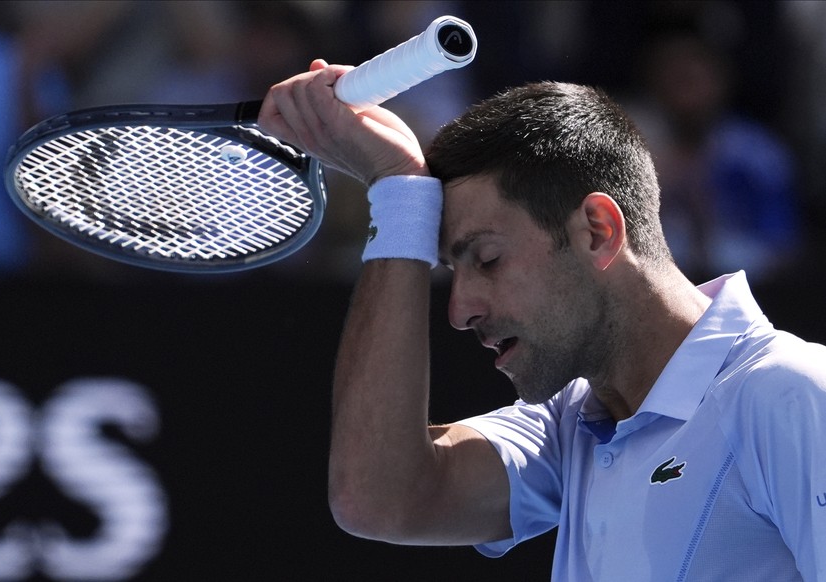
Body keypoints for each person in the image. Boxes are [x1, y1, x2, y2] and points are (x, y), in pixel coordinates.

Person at [259, 60, 826, 580]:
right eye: (452, 270)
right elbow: (376, 497)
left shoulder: (789, 392)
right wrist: (399, 195)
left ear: (598, 231)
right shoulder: (567, 426)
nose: (459, 310)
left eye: (487, 259)